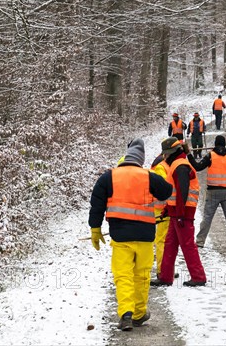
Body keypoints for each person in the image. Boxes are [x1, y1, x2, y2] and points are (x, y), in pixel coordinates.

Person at [88, 138, 172, 331]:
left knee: (123, 275)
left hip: (121, 237)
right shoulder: (148, 176)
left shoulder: (109, 177)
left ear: (124, 158)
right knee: (141, 275)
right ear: (140, 160)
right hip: (145, 236)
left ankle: (126, 313)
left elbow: (97, 204)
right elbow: (166, 191)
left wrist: (95, 228)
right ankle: (139, 313)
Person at [151, 137, 207, 287]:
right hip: (177, 212)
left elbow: (183, 191)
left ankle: (198, 277)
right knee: (170, 244)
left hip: (183, 213)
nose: (164, 157)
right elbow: (175, 194)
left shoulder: (181, 165)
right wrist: (167, 211)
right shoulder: (178, 163)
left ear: (171, 152)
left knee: (187, 245)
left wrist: (180, 214)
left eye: (166, 154)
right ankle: (165, 277)